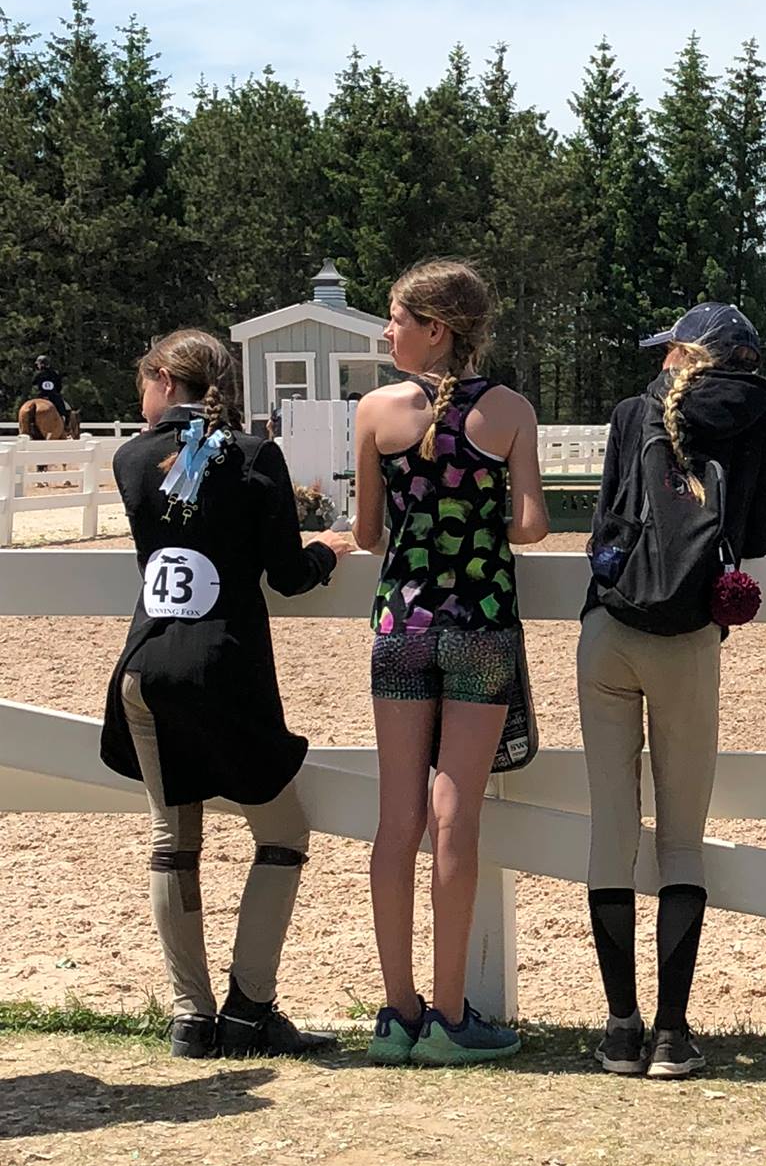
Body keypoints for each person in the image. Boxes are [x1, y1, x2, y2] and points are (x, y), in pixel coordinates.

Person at [101, 329, 349, 1059]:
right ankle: (249, 1009)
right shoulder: (253, 455)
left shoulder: (129, 458)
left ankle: (190, 1016)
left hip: (145, 666)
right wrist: (325, 552)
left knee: (172, 843)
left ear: (163, 380)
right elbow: (287, 576)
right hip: (224, 669)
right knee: (282, 834)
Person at [352, 259, 548, 1068]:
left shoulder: (375, 412)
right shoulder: (510, 411)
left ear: (435, 329)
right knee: (454, 817)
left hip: (402, 625)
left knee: (395, 819)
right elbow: (531, 525)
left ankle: (396, 1013)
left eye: (397, 318)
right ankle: (449, 1014)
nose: (387, 331)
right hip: (480, 625)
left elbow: (367, 534)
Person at [579, 301, 766, 1079]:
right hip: (691, 635)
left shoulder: (634, 412)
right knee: (682, 839)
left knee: (612, 829)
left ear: (683, 355)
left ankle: (619, 1029)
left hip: (610, 628)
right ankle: (672, 1033)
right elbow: (757, 535)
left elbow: (606, 519)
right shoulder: (757, 416)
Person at [30, 355, 68, 423]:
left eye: (38, 364)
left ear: (42, 364)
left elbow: (33, 384)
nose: (37, 366)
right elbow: (59, 387)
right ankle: (65, 422)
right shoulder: (54, 373)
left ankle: (31, 422)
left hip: (41, 396)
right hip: (53, 396)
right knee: (64, 409)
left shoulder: (38, 374)